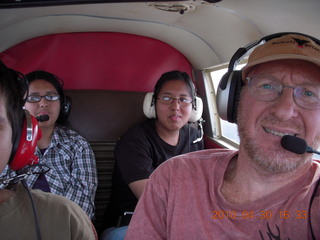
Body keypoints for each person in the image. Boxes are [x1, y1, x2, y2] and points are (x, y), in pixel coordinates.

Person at [125, 33, 320, 239]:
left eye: (310, 93)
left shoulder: (194, 134)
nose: (284, 111)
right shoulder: (171, 176)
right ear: (234, 101)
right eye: (267, 86)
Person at [100, 70, 204, 239]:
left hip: (178, 221)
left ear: (194, 106)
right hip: (128, 223)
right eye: (167, 98)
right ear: (152, 103)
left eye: (183, 100)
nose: (175, 106)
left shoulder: (194, 137)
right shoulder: (134, 141)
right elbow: (154, 200)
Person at [0, 61, 97, 239]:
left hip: (64, 228)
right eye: (34, 97)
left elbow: (84, 204)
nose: (43, 103)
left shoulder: (78, 145)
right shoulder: (7, 143)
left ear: (63, 106)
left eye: (51, 97)